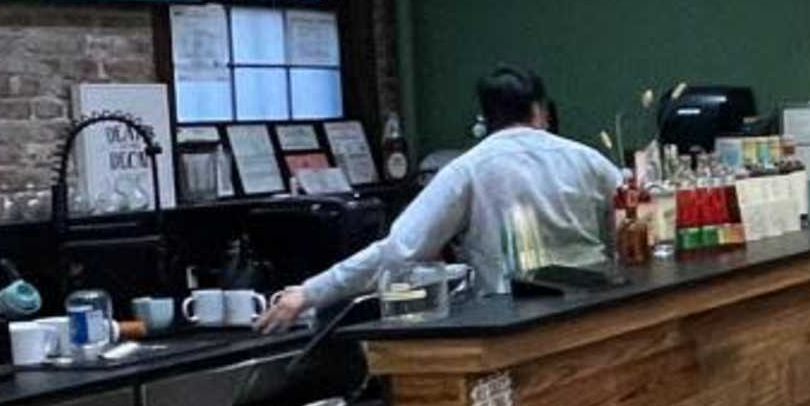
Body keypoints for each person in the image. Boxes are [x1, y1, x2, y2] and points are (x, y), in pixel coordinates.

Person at [264, 66, 617, 328]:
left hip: (513, 322)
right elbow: (636, 212)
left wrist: (310, 293)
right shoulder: (589, 159)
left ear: (485, 117)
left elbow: (398, 250)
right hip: (598, 313)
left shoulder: (469, 169)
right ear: (540, 110)